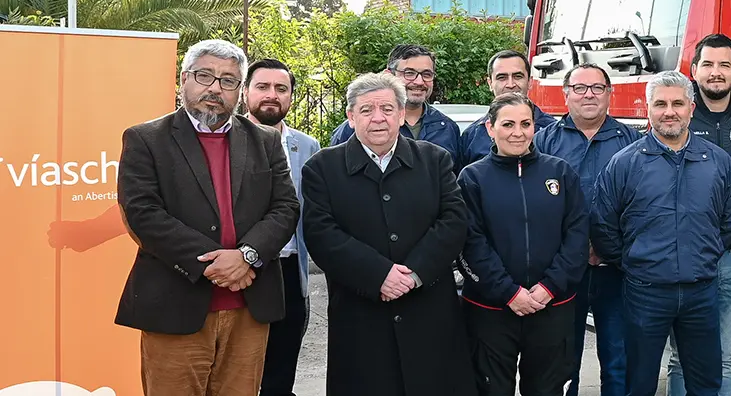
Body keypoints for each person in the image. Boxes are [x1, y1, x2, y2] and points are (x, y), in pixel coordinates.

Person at [115, 39, 301, 396]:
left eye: (228, 80)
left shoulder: (265, 141)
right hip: (176, 306)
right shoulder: (146, 138)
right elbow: (142, 213)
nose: (215, 88)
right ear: (184, 79)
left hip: (250, 306)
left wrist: (245, 256)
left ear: (239, 91)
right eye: (205, 76)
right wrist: (214, 263)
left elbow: (286, 208)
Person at [302, 72, 477, 396]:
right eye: (366, 110)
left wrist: (413, 274)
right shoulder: (322, 168)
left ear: (400, 113)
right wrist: (379, 274)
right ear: (351, 117)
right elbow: (321, 234)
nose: (378, 118)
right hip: (361, 314)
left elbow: (453, 221)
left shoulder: (434, 160)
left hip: (428, 310)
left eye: (386, 108)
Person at [589, 71, 731, 396]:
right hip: (645, 293)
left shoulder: (717, 162)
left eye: (677, 103)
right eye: (660, 104)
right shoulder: (624, 164)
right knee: (638, 383)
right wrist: (634, 261)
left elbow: (730, 221)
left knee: (706, 383)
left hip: (701, 292)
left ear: (691, 107)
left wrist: (703, 255)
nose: (669, 111)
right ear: (648, 108)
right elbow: (603, 225)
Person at [458, 93, 590, 396]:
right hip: (490, 309)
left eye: (525, 124)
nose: (518, 132)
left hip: (551, 306)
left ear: (535, 127)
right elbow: (469, 242)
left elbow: (577, 236)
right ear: (490, 128)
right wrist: (509, 292)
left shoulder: (560, 172)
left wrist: (549, 288)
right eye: (507, 124)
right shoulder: (473, 178)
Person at [533, 64, 643, 396]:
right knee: (564, 362)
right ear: (565, 93)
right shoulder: (543, 141)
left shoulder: (632, 142)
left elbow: (643, 205)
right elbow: (535, 207)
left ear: (610, 93)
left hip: (617, 271)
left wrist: (612, 247)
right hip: (565, 272)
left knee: (619, 360)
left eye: (597, 87)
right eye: (580, 88)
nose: (589, 95)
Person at [669, 34, 731, 396]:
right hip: (685, 258)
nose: (715, 73)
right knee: (682, 357)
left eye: (724, 64)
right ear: (693, 71)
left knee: (724, 356)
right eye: (707, 64)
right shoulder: (677, 117)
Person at [246, 58, 324, 396]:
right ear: (245, 92)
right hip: (243, 268)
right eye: (262, 87)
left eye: (281, 89)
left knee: (282, 364)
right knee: (241, 365)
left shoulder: (307, 147)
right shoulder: (227, 142)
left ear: (291, 96)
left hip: (291, 269)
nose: (271, 95)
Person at [329, 44, 460, 153]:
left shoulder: (447, 128)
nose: (419, 82)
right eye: (409, 73)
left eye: (427, 74)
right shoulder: (355, 129)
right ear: (388, 75)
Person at [456, 50, 558, 169]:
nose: (510, 84)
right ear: (490, 83)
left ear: (530, 82)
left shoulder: (553, 132)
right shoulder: (472, 136)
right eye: (502, 77)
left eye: (517, 76)